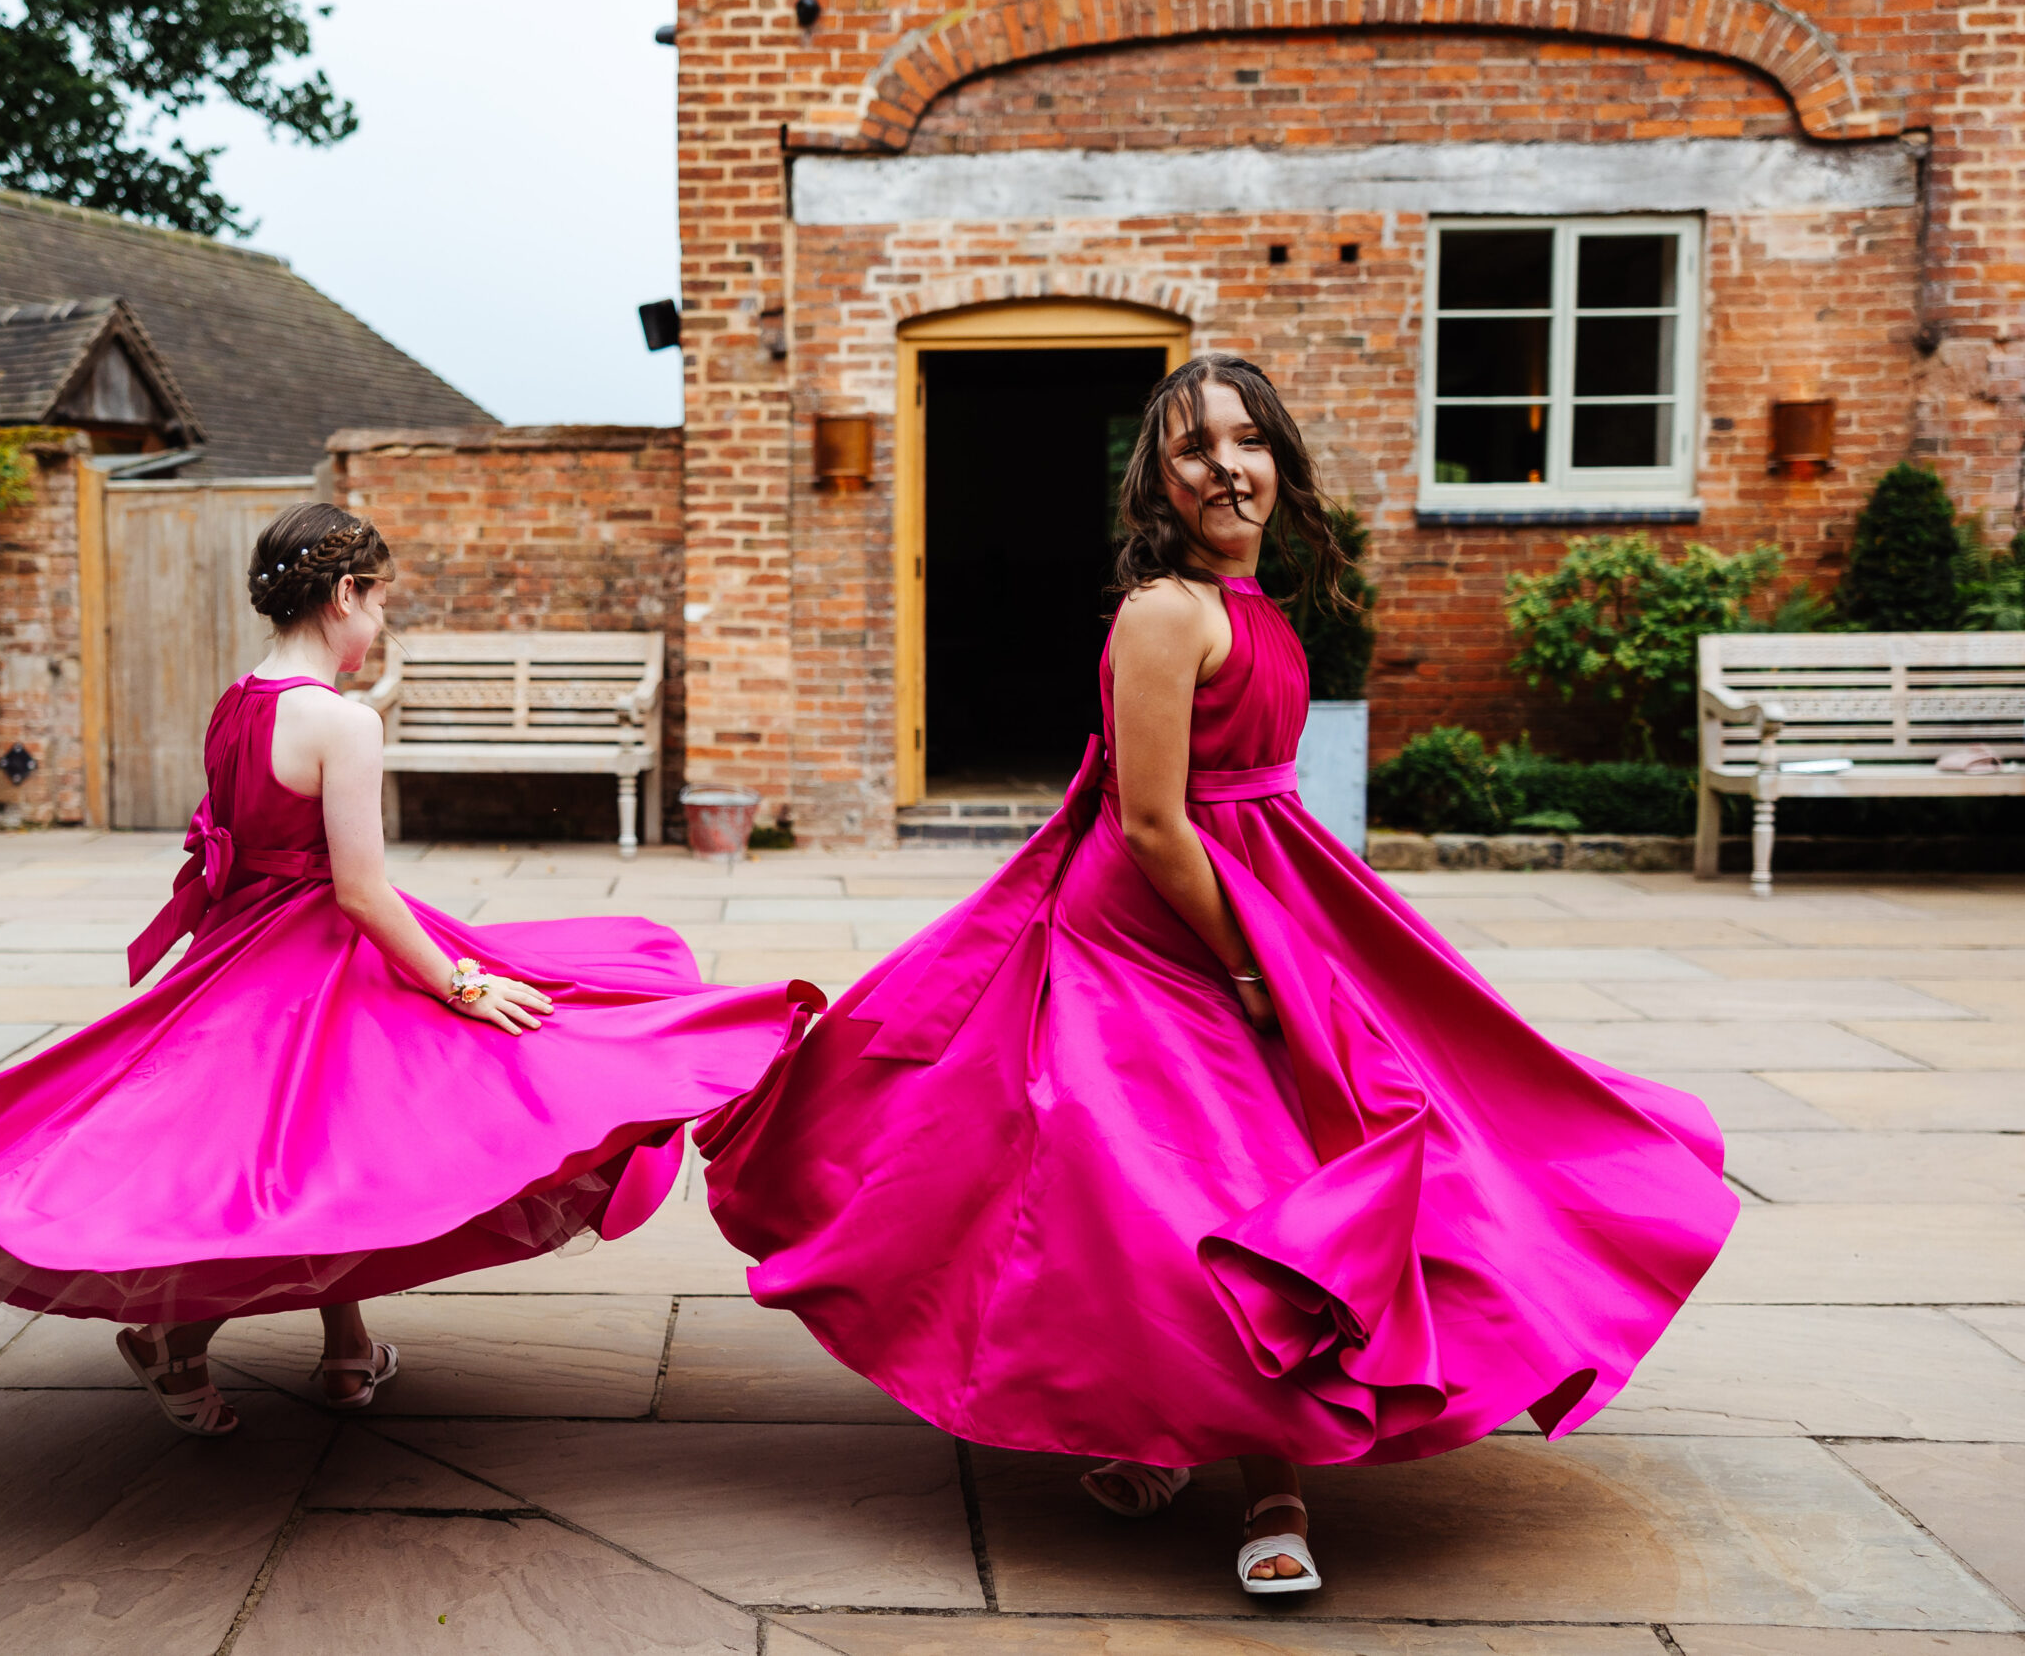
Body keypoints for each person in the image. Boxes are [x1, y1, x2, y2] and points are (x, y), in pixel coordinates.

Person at [696, 354, 1735, 1593]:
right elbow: (1149, 823)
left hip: (1261, 895)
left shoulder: (1265, 613)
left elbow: (1257, 799)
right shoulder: (1164, 611)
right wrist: (1251, 973)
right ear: (1159, 478)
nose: (1223, 467)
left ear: (1280, 463)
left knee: (1371, 1133)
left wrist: (1304, 936)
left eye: (1246, 442)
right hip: (1148, 928)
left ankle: (1164, 1430)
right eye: (1193, 448)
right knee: (1191, 1187)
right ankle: (1272, 1488)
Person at [0, 503, 821, 1435]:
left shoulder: (240, 701)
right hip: (311, 958)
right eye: (379, 600)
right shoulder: (343, 722)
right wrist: (463, 982)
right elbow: (362, 893)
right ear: (344, 597)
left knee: (328, 1155)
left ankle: (343, 1348)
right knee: (368, 1134)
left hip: (240, 951)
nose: (379, 624)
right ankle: (177, 1339)